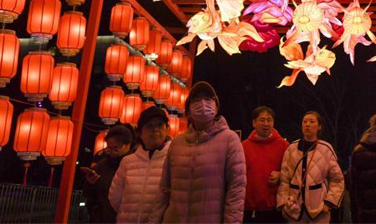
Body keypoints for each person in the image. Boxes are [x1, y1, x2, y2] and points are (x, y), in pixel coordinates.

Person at [151, 81, 246, 223]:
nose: (203, 104)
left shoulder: (230, 139)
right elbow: (164, 189)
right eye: (196, 100)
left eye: (208, 99)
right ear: (188, 111)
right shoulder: (177, 142)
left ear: (216, 106)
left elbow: (236, 190)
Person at [277, 111, 345, 223]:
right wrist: (283, 202)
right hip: (294, 209)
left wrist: (329, 203)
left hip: (319, 209)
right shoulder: (292, 148)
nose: (307, 124)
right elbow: (284, 179)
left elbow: (337, 180)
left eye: (312, 122)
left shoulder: (326, 149)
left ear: (319, 126)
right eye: (305, 122)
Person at [108, 106, 172, 223]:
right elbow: (114, 197)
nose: (155, 129)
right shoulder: (128, 162)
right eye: (149, 126)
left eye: (160, 125)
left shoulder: (173, 159)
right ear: (140, 132)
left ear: (167, 129)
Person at [243, 106, 289, 223]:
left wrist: (280, 175)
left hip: (275, 209)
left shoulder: (284, 146)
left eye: (269, 120)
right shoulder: (243, 146)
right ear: (254, 123)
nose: (266, 124)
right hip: (249, 209)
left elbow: (292, 172)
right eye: (262, 120)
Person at [83, 124, 136, 223]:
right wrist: (90, 183)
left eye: (116, 147)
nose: (112, 152)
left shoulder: (135, 164)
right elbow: (88, 194)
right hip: (101, 218)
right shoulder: (102, 165)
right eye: (109, 148)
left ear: (128, 144)